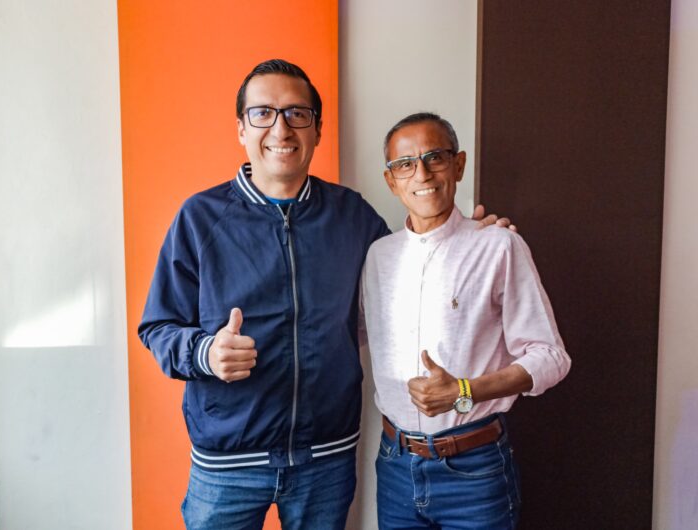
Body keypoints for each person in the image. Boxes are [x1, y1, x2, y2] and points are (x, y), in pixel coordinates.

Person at [139, 59, 508, 530]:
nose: (281, 128)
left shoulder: (353, 216)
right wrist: (206, 352)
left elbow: (414, 268)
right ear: (241, 128)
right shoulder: (199, 217)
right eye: (263, 113)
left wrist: (469, 239)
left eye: (297, 113)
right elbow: (158, 326)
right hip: (228, 462)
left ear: (317, 129)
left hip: (326, 459)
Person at [361, 112, 571, 530]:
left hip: (475, 470)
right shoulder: (378, 256)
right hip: (395, 466)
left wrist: (464, 390)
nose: (422, 173)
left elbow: (551, 357)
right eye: (405, 164)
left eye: (435, 158)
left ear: (458, 165)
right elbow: (352, 334)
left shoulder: (498, 246)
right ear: (391, 180)